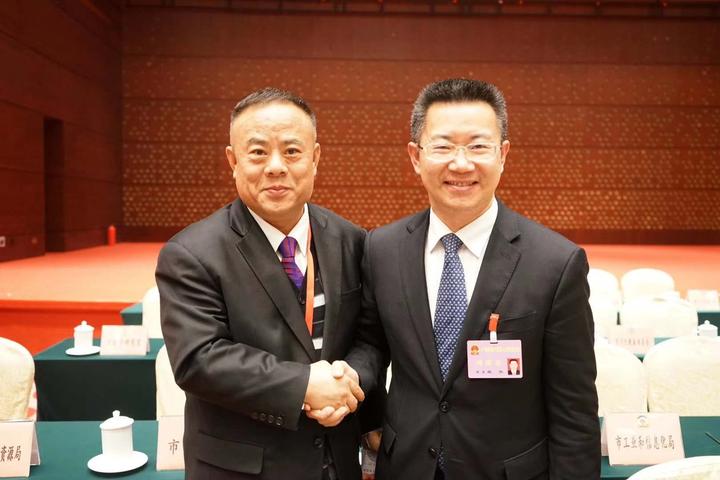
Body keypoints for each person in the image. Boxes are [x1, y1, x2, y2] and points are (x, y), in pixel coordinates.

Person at [337, 79, 601, 479]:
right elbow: (371, 343)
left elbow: (574, 409)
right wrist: (357, 394)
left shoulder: (555, 263)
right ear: (415, 156)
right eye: (443, 147)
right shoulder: (382, 249)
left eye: (478, 146)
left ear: (503, 154)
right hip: (407, 466)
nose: (461, 164)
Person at [156, 87, 372, 479]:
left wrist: (352, 382)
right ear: (233, 160)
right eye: (258, 152)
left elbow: (368, 337)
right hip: (242, 468)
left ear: (315, 158)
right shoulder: (191, 253)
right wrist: (304, 385)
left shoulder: (351, 239)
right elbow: (199, 359)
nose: (276, 166)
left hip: (335, 460)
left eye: (292, 151)